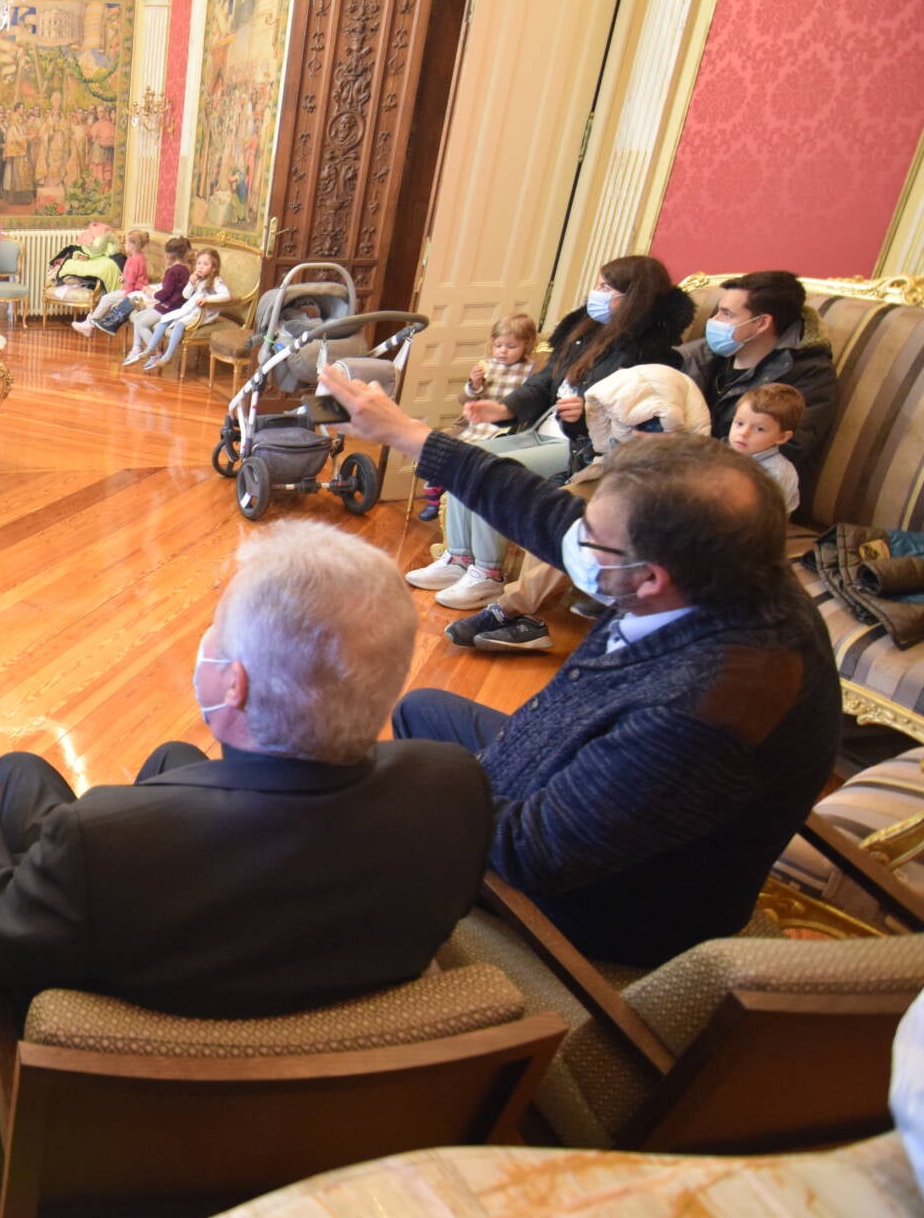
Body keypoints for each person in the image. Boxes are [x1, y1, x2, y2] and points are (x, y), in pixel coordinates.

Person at [323, 365, 841, 967]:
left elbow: (531, 853)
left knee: (370, 802)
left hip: (601, 910)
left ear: (651, 578)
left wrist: (427, 792)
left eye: (592, 540)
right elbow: (547, 515)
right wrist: (406, 433)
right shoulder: (726, 567)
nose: (574, 543)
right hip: (568, 773)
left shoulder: (704, 710)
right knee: (419, 714)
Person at [0, 520, 490, 1017]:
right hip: (338, 1004)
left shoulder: (98, 839)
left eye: (216, 631)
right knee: (174, 759)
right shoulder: (455, 786)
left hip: (149, 1053)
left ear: (233, 683)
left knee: (16, 771)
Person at [407, 257, 693, 617]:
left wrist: (588, 417)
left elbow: (634, 417)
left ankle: (487, 572)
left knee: (496, 468)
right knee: (465, 455)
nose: (596, 294)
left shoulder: (652, 354)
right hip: (542, 428)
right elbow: (544, 383)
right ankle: (459, 557)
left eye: (606, 288)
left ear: (633, 296)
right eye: (598, 285)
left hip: (580, 447)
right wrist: (504, 408)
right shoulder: (583, 331)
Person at [679, 269, 837, 501]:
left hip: (747, 495)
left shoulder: (811, 374)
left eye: (726, 314)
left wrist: (680, 448)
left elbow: (785, 447)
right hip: (683, 474)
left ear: (761, 323)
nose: (713, 322)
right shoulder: (700, 354)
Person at [420, 315, 538, 522]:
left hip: (502, 429)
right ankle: (434, 497)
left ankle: (457, 499)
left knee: (472, 457)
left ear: (526, 345)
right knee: (443, 450)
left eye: (511, 346)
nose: (502, 351)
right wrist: (474, 385)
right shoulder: (487, 366)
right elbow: (463, 399)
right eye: (498, 345)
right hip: (476, 425)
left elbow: (531, 400)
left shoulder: (531, 370)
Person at [124, 246, 230, 371]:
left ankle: (168, 356)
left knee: (179, 324)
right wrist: (191, 283)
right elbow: (186, 295)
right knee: (164, 319)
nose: (200, 267)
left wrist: (208, 300)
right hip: (189, 309)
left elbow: (226, 296)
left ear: (213, 268)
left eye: (205, 264)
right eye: (199, 263)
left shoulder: (216, 281)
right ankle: (150, 348)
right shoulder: (198, 280)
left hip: (202, 313)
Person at [728, 382, 805, 513]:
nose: (743, 433)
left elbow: (768, 520)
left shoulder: (777, 473)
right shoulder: (722, 455)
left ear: (781, 437)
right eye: (739, 423)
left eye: (759, 429)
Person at [72, 228, 148, 337]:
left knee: (106, 298)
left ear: (132, 246)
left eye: (126, 243)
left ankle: (89, 324)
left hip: (132, 292)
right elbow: (131, 274)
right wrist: (123, 277)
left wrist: (126, 298)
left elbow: (132, 281)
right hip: (130, 289)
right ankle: (90, 323)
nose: (124, 245)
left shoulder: (136, 260)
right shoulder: (135, 257)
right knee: (107, 298)